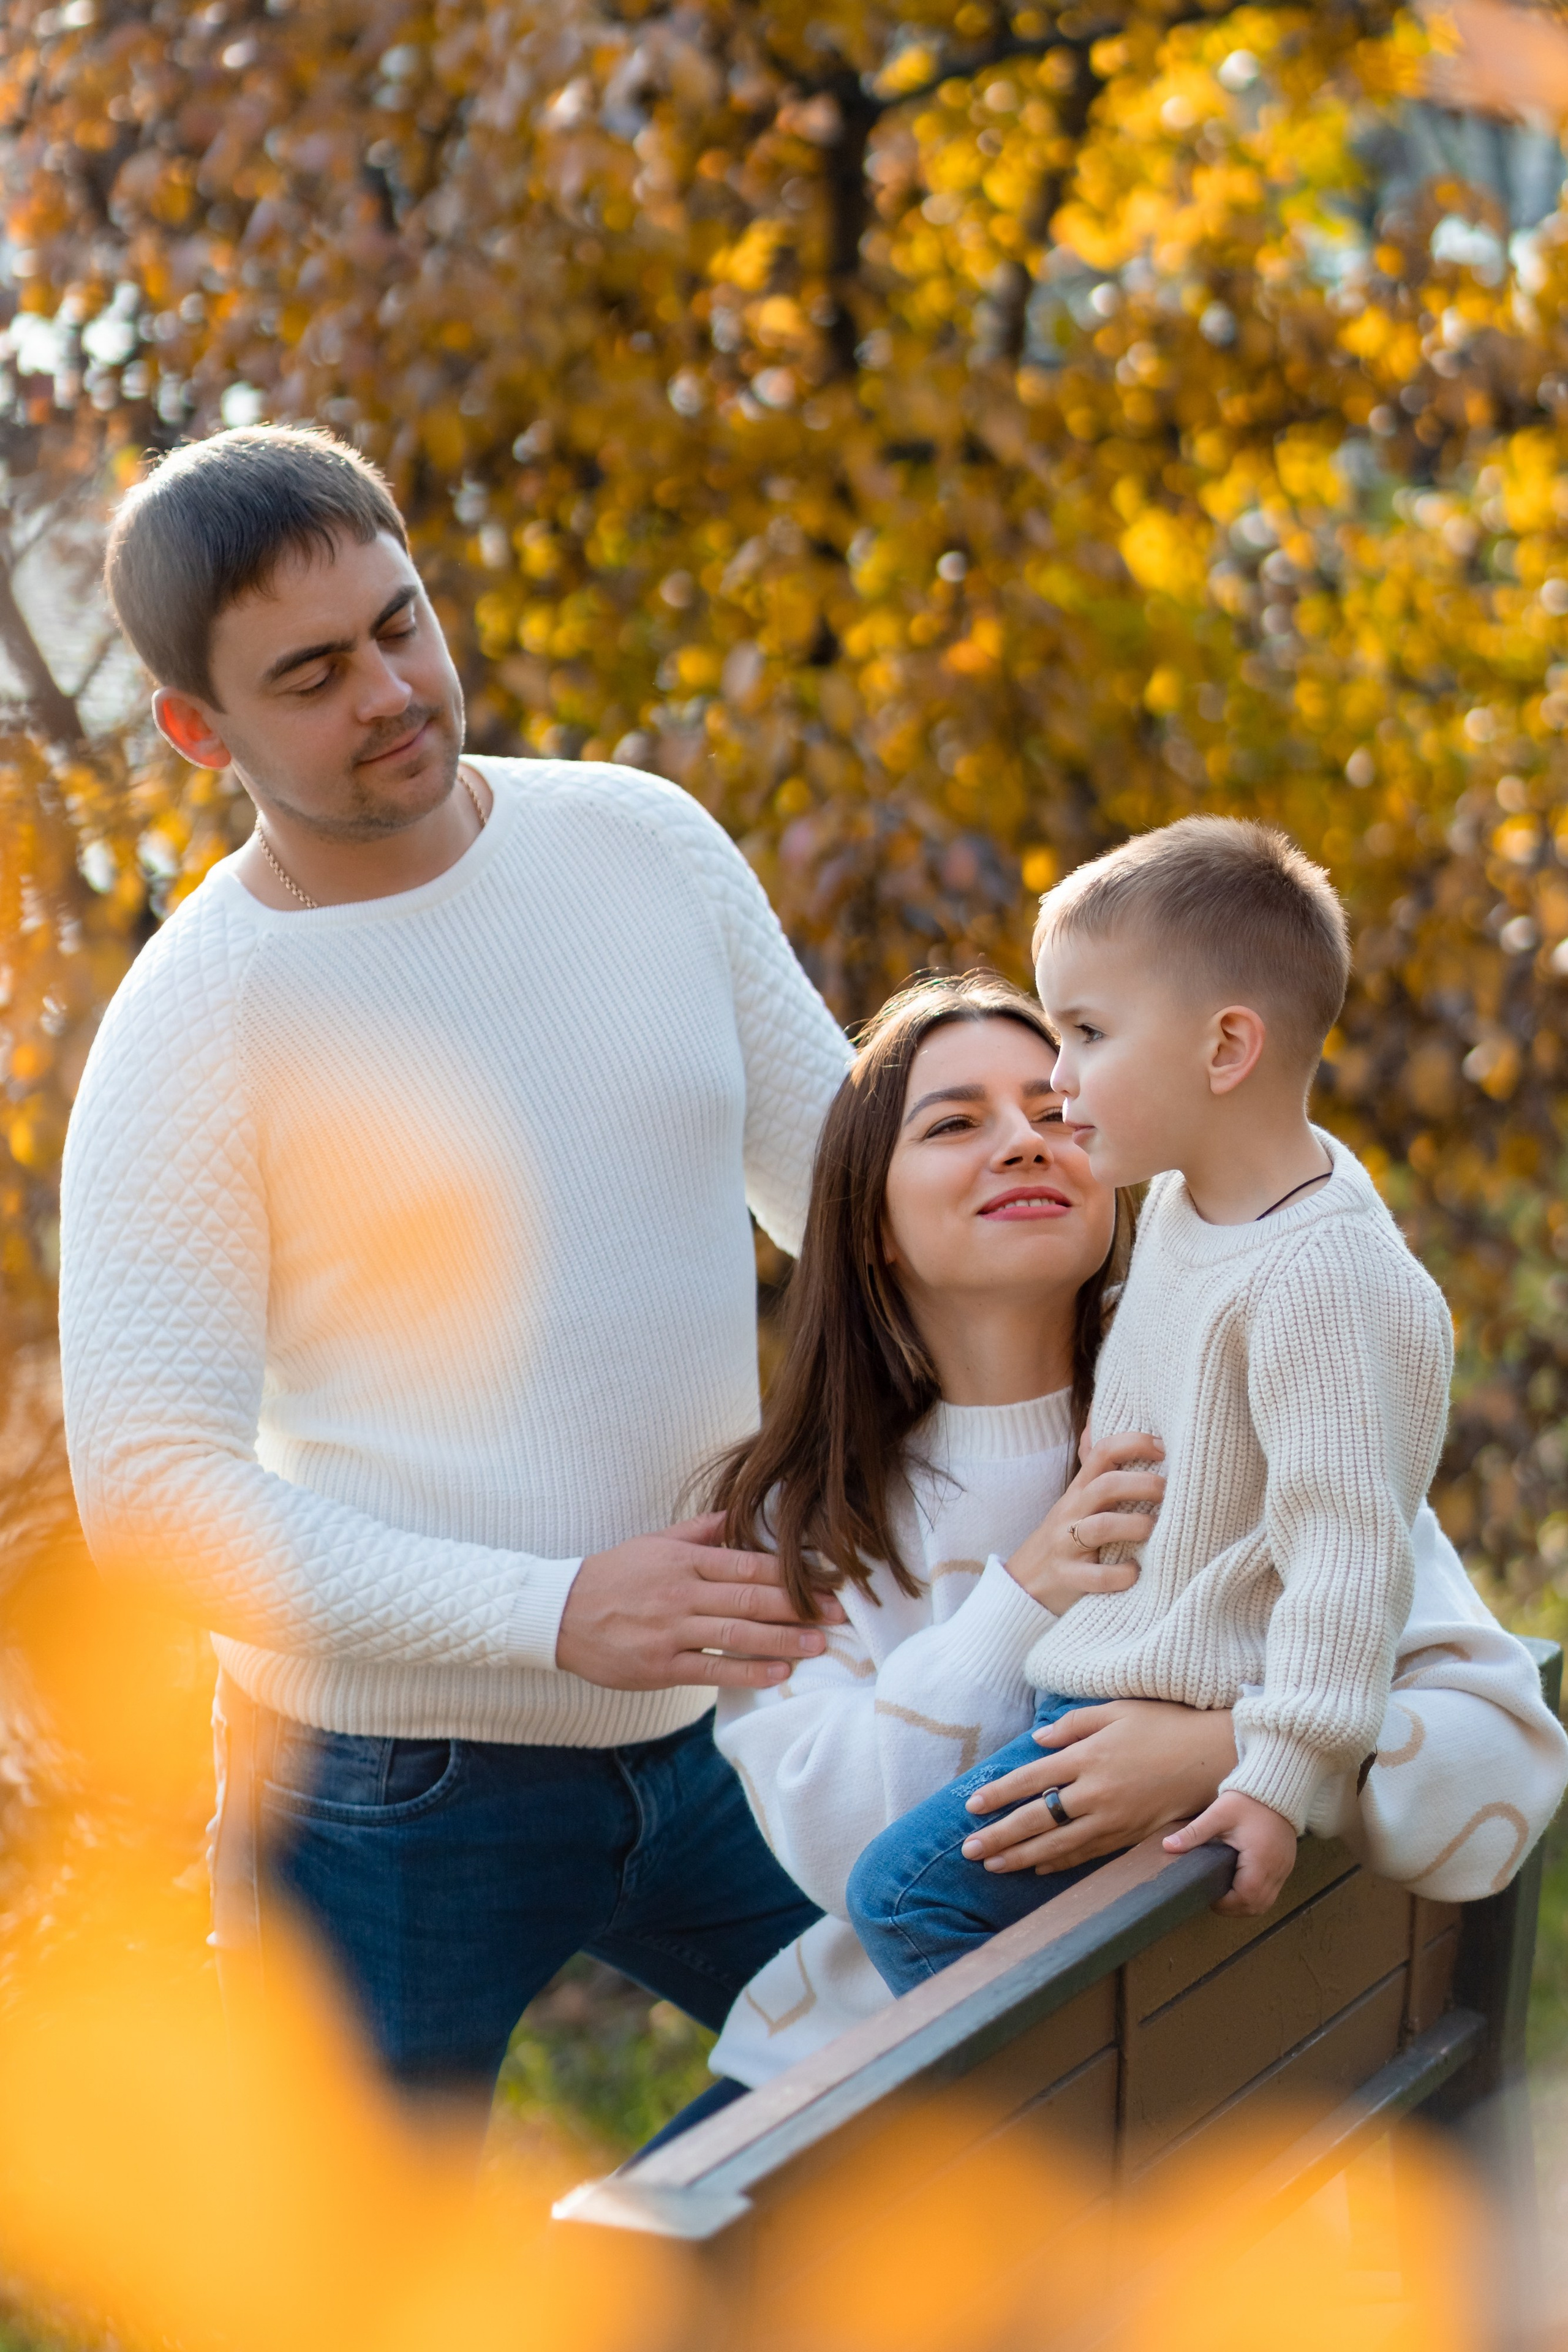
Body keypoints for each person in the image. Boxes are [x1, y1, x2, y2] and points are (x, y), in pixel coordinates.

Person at [58, 423, 856, 2109]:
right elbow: (152, 1494)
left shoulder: (645, 843)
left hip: (730, 1724)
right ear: (198, 730)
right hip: (379, 1791)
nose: (391, 691)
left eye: (401, 623)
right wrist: (555, 1611)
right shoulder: (193, 1026)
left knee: (959, 2086)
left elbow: (865, 1210)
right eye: (315, 674)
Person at [666, 972, 1566, 2125]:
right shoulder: (807, 1518)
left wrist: (1225, 1749)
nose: (1024, 1145)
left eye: (1055, 1114)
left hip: (1152, 2090)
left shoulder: (1246, 1396)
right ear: (867, 1223)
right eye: (955, 1124)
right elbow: (839, 1850)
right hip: (861, 2060)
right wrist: (1023, 1596)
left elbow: (1497, 1738)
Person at [846, 818, 1460, 1990]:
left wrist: (1280, 1772)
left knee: (906, 1897)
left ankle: (1063, 2176)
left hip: (1170, 1712)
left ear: (1227, 1048)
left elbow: (1347, 1554)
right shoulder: (1192, 1204)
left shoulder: (1321, 1279)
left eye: (1085, 1034)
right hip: (1113, 1684)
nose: (1059, 1080)